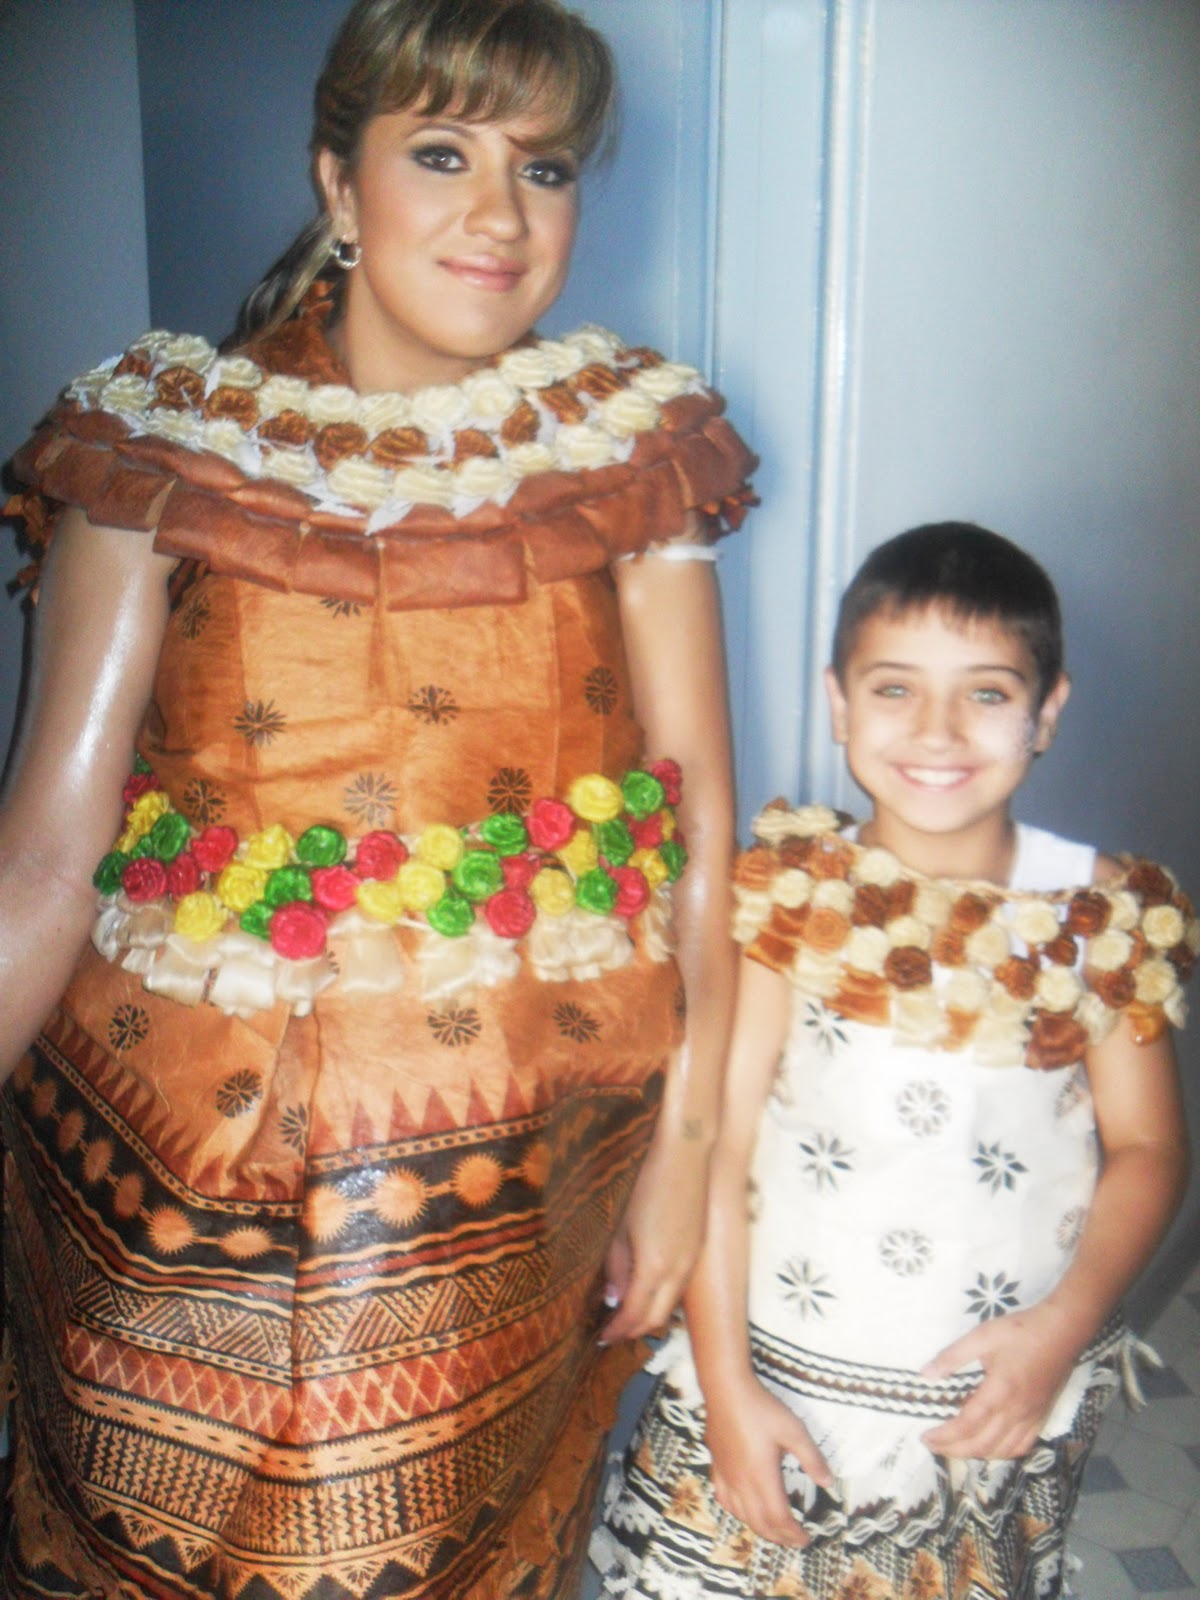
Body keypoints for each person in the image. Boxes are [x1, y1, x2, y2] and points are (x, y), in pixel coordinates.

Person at [0, 2, 756, 1594]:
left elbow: (699, 849)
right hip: (173, 1183)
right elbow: (46, 861)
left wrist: (687, 1161)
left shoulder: (623, 454)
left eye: (543, 168)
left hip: (515, 1183)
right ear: (337, 183)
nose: (499, 215)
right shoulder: (158, 450)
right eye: (441, 153)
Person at [593, 522, 1195, 1600]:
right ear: (838, 702)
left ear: (1048, 711)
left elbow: (1150, 1148)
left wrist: (1064, 1330)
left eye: (989, 694)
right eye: (895, 689)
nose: (940, 730)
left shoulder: (1101, 914)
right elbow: (720, 1148)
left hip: (993, 1394)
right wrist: (726, 1390)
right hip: (785, 1376)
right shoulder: (792, 893)